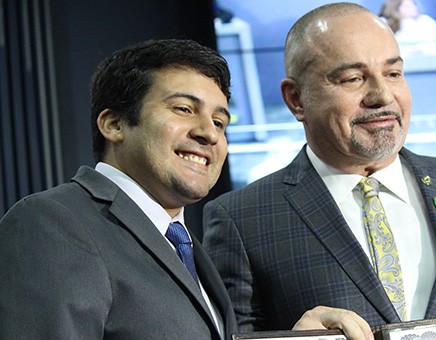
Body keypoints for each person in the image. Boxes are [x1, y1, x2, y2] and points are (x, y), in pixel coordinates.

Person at [203, 3, 436, 339]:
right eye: (352, 79)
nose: (382, 96)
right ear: (296, 99)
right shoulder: (242, 220)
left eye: (394, 73)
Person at [0, 39, 366, 340]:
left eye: (220, 121)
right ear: (114, 124)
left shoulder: (181, 242)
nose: (209, 133)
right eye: (183, 109)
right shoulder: (52, 223)